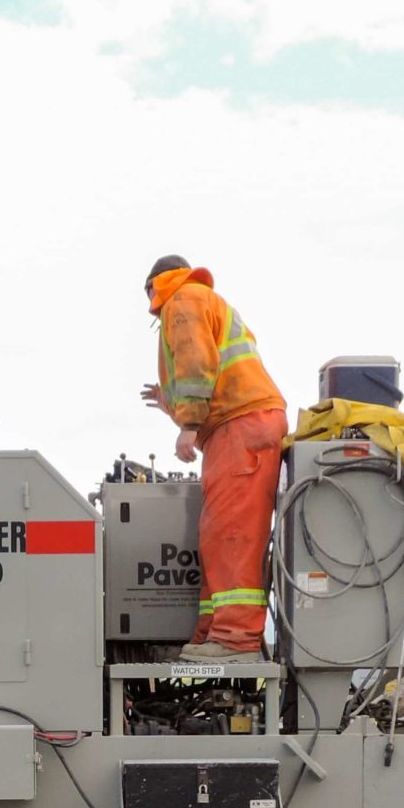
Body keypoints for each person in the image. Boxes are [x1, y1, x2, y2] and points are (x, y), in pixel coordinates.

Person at [140, 256, 287, 662]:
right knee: (217, 534)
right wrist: (174, 404)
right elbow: (209, 372)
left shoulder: (182, 300)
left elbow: (196, 362)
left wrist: (187, 424)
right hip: (237, 427)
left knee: (233, 533)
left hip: (241, 426)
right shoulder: (198, 299)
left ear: (154, 285)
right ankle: (214, 633)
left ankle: (235, 639)